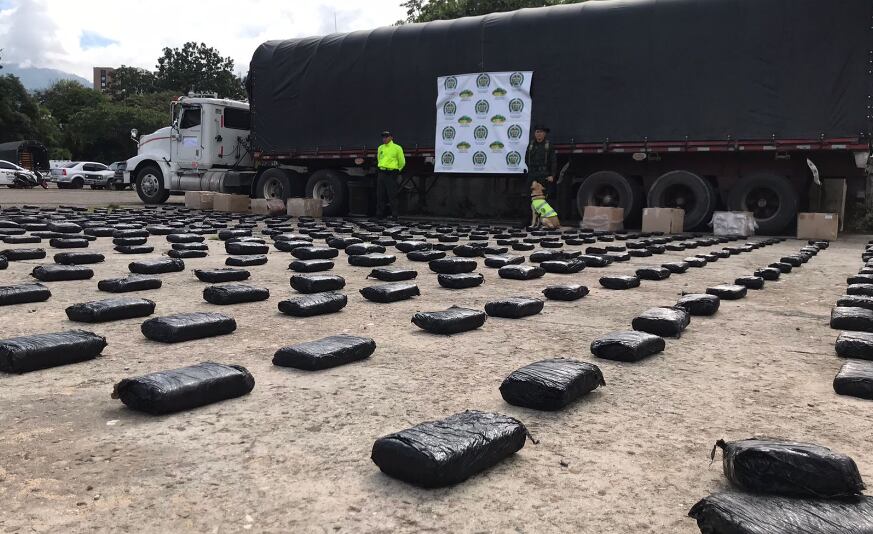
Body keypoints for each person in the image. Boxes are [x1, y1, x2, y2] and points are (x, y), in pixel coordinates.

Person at [376, 130, 405, 218]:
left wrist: (397, 170)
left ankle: (394, 214)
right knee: (380, 194)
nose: (384, 139)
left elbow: (402, 161)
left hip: (391, 173)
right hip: (382, 172)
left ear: (391, 137)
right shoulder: (380, 148)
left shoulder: (397, 148)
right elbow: (379, 159)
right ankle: (380, 214)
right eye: (383, 137)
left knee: (392, 195)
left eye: (386, 137)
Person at [525, 125, 557, 199]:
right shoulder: (531, 145)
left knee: (544, 197)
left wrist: (552, 175)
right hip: (532, 174)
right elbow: (526, 158)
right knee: (529, 197)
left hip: (544, 175)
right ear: (535, 133)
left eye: (541, 132)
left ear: (544, 134)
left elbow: (553, 161)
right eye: (537, 132)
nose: (539, 134)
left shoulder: (549, 145)